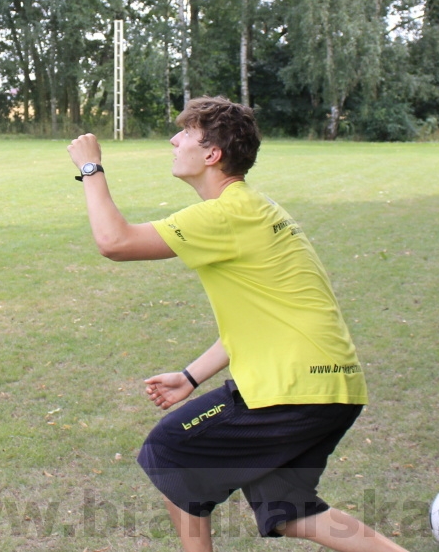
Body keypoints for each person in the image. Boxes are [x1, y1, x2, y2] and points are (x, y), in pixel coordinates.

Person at [67, 97, 408, 552]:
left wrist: (91, 168)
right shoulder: (252, 208)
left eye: (185, 133)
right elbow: (260, 320)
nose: (174, 139)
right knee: (288, 509)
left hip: (294, 387)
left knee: (170, 452)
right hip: (329, 387)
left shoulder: (226, 214)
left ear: (212, 155)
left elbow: (114, 241)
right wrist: (190, 376)